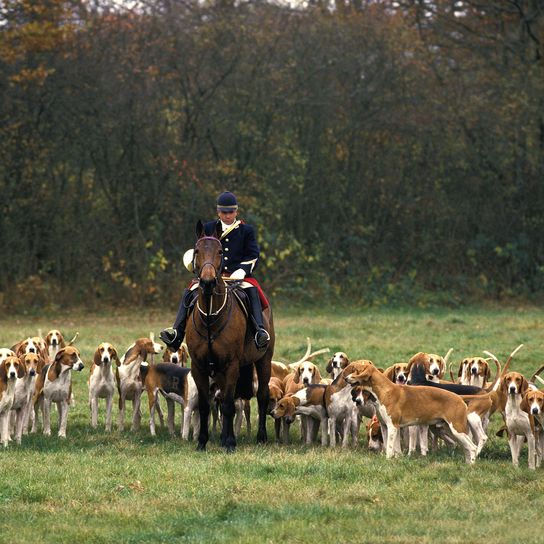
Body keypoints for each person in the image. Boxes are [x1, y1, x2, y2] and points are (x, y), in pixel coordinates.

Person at [160, 191, 271, 351]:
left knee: (252, 290)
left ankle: (259, 331)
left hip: (237, 276)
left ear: (236, 211)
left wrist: (242, 270)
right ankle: (176, 333)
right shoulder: (208, 228)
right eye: (224, 212)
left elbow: (253, 255)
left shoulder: (246, 230)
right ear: (218, 212)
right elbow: (200, 252)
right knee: (189, 291)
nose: (227, 215)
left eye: (231, 212)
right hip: (210, 275)